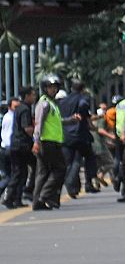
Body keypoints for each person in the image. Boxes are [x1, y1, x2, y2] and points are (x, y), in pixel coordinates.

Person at [31, 75, 80, 210]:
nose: (53, 90)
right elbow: (38, 123)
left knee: (43, 173)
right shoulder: (44, 103)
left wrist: (71, 119)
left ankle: (37, 202)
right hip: (47, 142)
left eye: (55, 87)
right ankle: (44, 195)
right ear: (45, 88)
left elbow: (58, 122)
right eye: (50, 87)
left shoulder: (53, 104)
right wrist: (36, 141)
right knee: (60, 169)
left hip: (52, 141)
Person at [59, 79, 99, 197]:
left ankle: (73, 186)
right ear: (82, 89)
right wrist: (92, 127)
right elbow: (85, 115)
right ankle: (88, 183)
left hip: (66, 135)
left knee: (69, 161)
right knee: (89, 158)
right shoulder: (83, 99)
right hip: (80, 135)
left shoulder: (63, 101)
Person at [3, 88, 36, 208]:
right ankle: (22, 193)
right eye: (33, 95)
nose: (34, 97)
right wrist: (36, 135)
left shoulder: (18, 108)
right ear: (27, 96)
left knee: (21, 172)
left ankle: (16, 198)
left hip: (16, 144)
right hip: (22, 145)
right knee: (32, 167)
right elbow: (27, 128)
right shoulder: (25, 109)